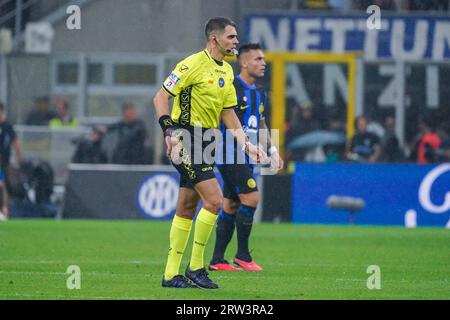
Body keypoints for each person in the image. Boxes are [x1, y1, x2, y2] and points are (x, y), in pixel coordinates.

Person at [153, 17, 267, 289]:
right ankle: (196, 268)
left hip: (208, 139)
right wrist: (169, 132)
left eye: (236, 37)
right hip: (185, 138)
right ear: (214, 39)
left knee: (187, 206)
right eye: (231, 37)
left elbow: (227, 112)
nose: (236, 42)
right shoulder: (191, 64)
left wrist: (247, 144)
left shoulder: (226, 71)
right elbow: (160, 97)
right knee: (215, 201)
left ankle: (170, 275)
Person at [209, 43, 283, 272]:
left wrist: (273, 150)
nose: (263, 63)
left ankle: (218, 260)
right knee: (251, 198)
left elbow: (260, 124)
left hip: (247, 156)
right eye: (258, 59)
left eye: (264, 59)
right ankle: (242, 255)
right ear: (243, 62)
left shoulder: (259, 94)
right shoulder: (231, 87)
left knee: (231, 205)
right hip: (229, 154)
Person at [0, 102, 23, 193]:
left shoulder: (7, 126)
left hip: (4, 162)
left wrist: (19, 159)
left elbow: (16, 143)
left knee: (4, 182)